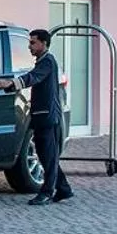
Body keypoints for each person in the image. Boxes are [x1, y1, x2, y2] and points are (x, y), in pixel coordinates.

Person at [20, 29, 74, 205]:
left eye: (33, 42)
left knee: (48, 156)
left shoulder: (47, 61)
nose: (30, 46)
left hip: (48, 117)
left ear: (44, 43)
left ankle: (47, 192)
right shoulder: (43, 61)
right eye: (30, 42)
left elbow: (33, 78)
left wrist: (12, 83)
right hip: (42, 115)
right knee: (45, 155)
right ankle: (63, 188)